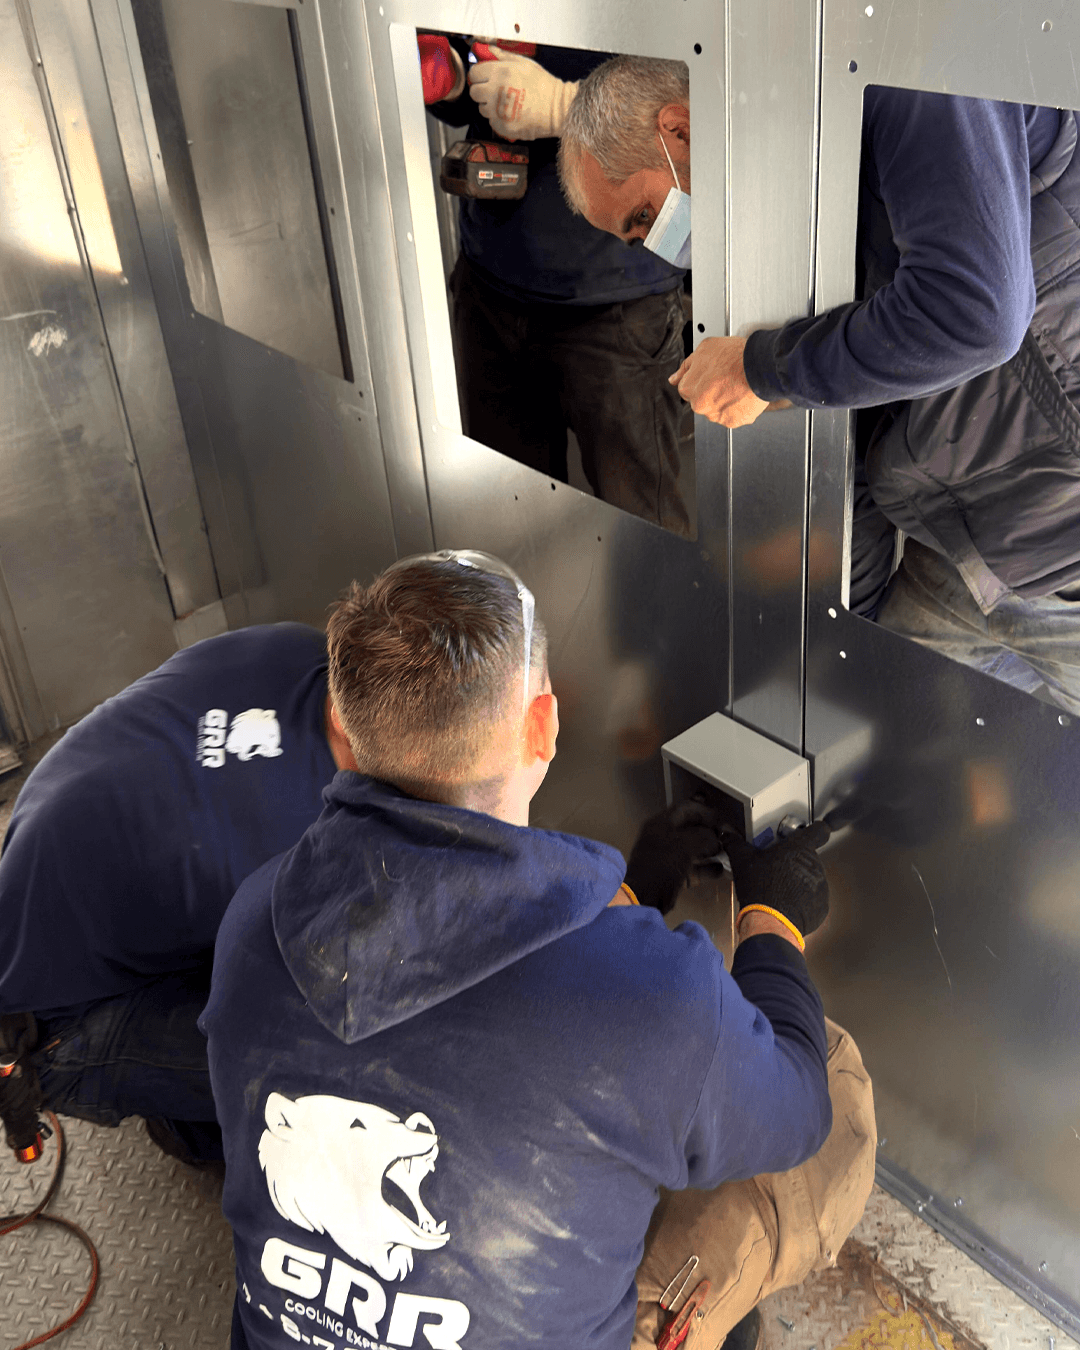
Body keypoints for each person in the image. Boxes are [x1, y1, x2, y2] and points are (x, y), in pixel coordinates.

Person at [202, 550, 875, 1350]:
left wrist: (624, 895)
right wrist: (775, 916)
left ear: (343, 739)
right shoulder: (658, 1000)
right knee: (822, 1069)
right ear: (543, 727)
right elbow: (795, 1114)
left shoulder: (256, 919)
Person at [558, 57, 1080, 714]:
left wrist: (761, 369)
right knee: (884, 741)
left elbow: (972, 313)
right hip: (960, 545)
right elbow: (866, 392)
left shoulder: (910, 70)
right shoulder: (802, 174)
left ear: (680, 130)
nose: (659, 246)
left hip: (1064, 540)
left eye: (643, 216)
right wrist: (835, 610)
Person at [0, 621, 356, 1163]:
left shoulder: (291, 645)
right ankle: (185, 1124)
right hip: (47, 1030)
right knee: (329, 1073)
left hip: (36, 867)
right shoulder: (297, 849)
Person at [419, 36, 694, 535]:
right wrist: (458, 75)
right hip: (491, 281)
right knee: (506, 516)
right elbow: (466, 55)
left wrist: (564, 107)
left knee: (643, 527)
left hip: (619, 306)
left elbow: (703, 80)